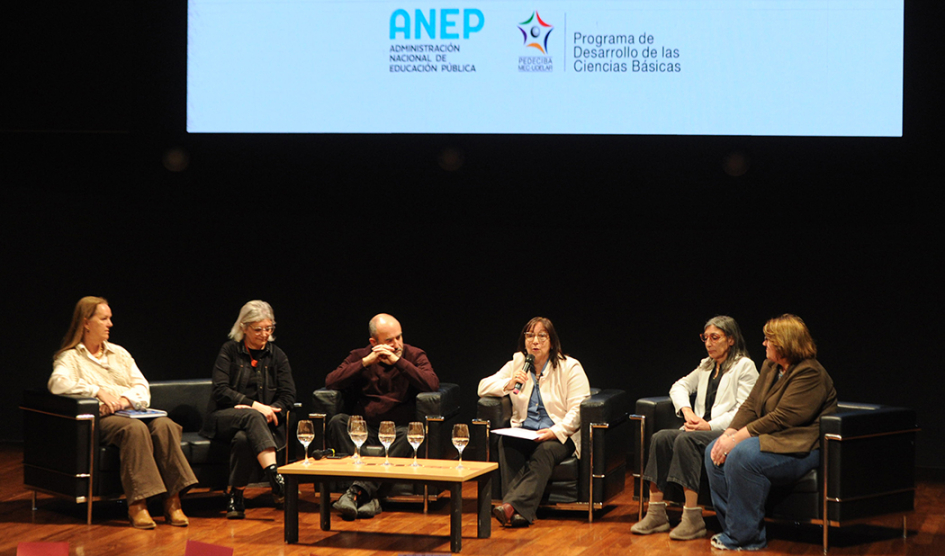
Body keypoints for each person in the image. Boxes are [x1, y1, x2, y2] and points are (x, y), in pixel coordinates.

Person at [48, 296, 198, 529]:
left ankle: (173, 501)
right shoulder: (71, 357)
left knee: (165, 424)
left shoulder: (120, 353)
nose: (110, 324)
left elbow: (142, 388)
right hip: (104, 420)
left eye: (110, 318)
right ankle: (137, 504)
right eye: (104, 319)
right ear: (86, 323)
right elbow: (57, 384)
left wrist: (123, 399)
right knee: (135, 429)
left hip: (129, 411)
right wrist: (97, 391)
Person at [705, 314, 837, 551]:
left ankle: (746, 538)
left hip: (799, 447)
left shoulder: (811, 373)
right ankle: (735, 530)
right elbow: (750, 404)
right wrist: (729, 433)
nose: (764, 344)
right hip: (773, 440)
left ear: (785, 343)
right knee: (712, 451)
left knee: (742, 454)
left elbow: (782, 418)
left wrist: (736, 439)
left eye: (769, 340)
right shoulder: (771, 366)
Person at [632, 315, 758, 540]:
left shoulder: (744, 366)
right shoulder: (706, 365)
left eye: (715, 337)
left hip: (727, 432)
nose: (709, 343)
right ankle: (656, 512)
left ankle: (692, 518)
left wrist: (708, 425)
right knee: (661, 438)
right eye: (706, 337)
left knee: (685, 440)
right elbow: (679, 386)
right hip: (700, 428)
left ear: (731, 339)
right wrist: (688, 412)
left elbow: (744, 411)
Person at [478, 317, 591, 528]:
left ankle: (510, 507)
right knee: (507, 443)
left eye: (541, 336)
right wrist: (508, 383)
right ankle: (520, 513)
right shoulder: (518, 363)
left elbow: (578, 410)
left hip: (559, 435)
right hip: (525, 431)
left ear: (552, 341)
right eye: (529, 336)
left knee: (545, 451)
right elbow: (482, 387)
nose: (535, 342)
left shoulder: (570, 367)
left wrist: (555, 431)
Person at [325, 313, 439, 520]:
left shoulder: (414, 355)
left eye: (399, 337)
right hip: (365, 427)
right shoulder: (360, 355)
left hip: (398, 431)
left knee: (413, 433)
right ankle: (369, 496)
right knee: (337, 422)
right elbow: (331, 381)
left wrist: (399, 362)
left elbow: (432, 384)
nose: (396, 344)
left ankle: (358, 491)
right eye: (389, 340)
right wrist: (365, 362)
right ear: (373, 342)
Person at [199, 300, 296, 519]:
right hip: (224, 417)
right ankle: (275, 476)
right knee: (252, 416)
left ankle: (237, 496)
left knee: (244, 438)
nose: (265, 334)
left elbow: (289, 395)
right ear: (243, 327)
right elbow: (220, 391)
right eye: (258, 329)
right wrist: (255, 406)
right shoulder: (229, 351)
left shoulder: (277, 355)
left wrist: (272, 410)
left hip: (261, 422)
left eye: (269, 328)